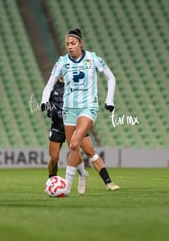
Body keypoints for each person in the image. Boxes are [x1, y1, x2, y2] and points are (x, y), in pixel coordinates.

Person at [41, 28, 120, 194]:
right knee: (73, 148)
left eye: (73, 43)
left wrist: (109, 100)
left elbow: (110, 77)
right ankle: (83, 175)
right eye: (67, 44)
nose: (70, 46)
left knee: (76, 143)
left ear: (80, 43)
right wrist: (44, 100)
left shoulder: (92, 58)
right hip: (68, 109)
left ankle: (66, 187)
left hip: (88, 106)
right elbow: (49, 83)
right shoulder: (62, 62)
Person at [46, 76, 90, 195]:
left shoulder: (76, 87)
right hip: (57, 126)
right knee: (54, 158)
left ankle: (83, 174)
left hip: (72, 124)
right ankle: (51, 179)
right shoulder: (51, 87)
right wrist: (50, 110)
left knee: (74, 150)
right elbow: (48, 104)